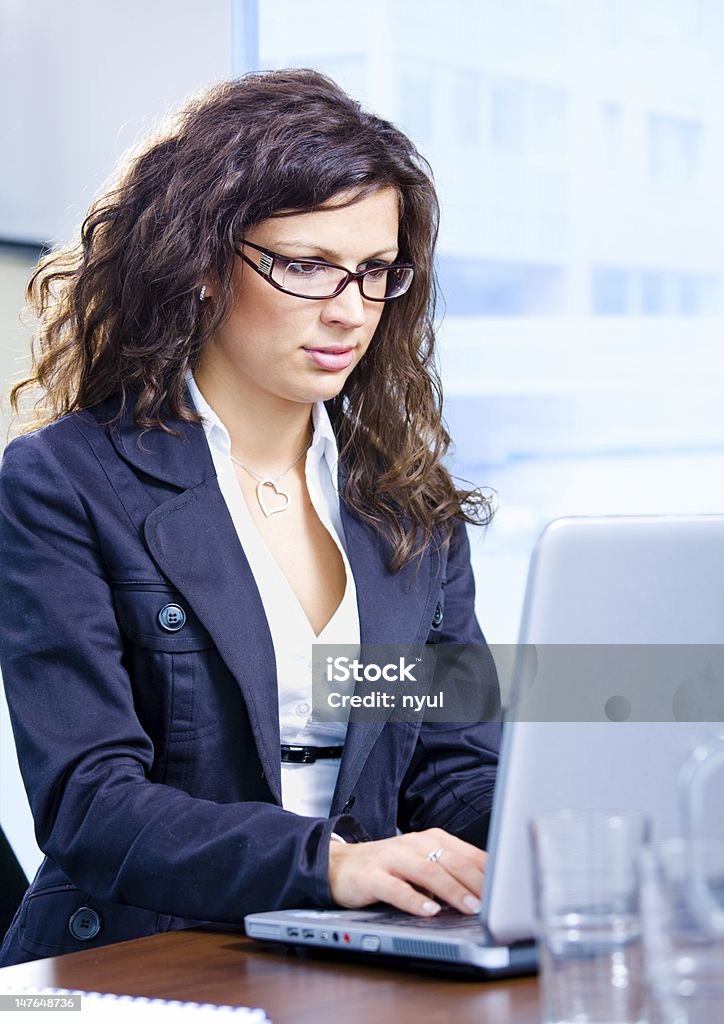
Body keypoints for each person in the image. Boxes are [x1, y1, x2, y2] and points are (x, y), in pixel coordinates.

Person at [0, 69, 499, 966]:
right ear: (199, 261)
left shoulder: (403, 503)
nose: (350, 311)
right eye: (307, 266)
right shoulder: (63, 481)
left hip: (367, 950)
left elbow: (447, 769)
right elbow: (91, 803)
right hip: (139, 953)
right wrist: (330, 865)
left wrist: (547, 839)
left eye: (375, 271)